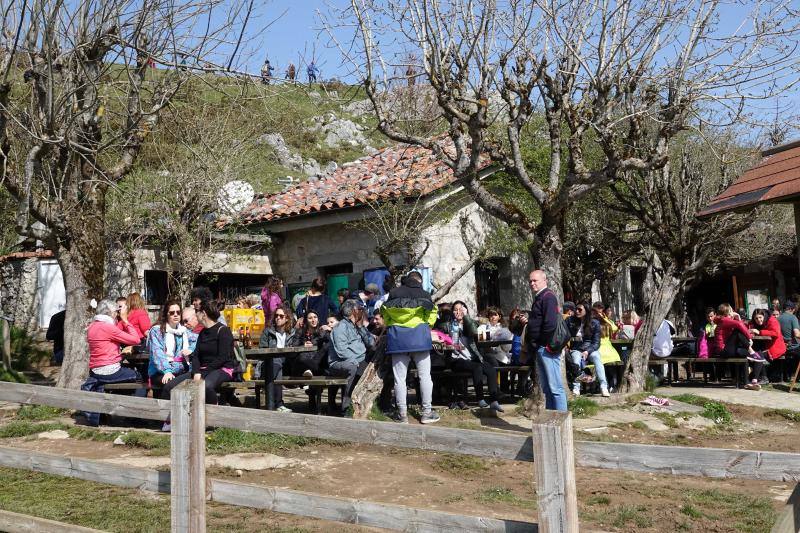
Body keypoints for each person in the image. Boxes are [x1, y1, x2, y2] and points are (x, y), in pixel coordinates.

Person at [161, 299, 236, 430]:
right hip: (202, 370)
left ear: (204, 314)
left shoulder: (223, 331)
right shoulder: (202, 333)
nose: (196, 315)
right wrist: (196, 371)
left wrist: (202, 373)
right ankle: (172, 420)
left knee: (206, 386)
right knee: (169, 387)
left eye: (197, 312)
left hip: (222, 369)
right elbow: (196, 356)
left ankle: (213, 418)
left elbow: (223, 358)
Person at [382, 271, 440, 424]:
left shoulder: (394, 293)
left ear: (407, 280)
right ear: (419, 281)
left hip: (398, 339)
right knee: (425, 376)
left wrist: (391, 324)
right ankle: (427, 413)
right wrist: (428, 325)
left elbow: (385, 311)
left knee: (399, 379)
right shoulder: (425, 294)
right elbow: (433, 312)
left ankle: (402, 415)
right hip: (420, 338)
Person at [81, 299, 146, 425]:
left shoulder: (92, 326)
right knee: (140, 377)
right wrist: (125, 320)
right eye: (115, 312)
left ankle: (114, 413)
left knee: (126, 375)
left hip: (95, 371)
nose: (117, 314)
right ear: (110, 313)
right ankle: (135, 416)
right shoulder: (107, 327)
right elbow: (136, 339)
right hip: (109, 371)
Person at [516, 270, 566, 411]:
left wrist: (541, 343)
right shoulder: (540, 298)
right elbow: (539, 320)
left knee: (555, 387)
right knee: (548, 388)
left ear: (544, 280)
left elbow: (550, 324)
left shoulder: (548, 297)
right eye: (530, 281)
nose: (532, 283)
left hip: (546, 348)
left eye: (535, 280)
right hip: (541, 348)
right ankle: (551, 419)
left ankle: (561, 420)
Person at [448, 301, 503, 411]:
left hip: (472, 358)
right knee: (477, 368)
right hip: (457, 359)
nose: (458, 312)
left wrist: (466, 317)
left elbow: (474, 332)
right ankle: (480, 399)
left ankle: (494, 401)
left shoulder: (470, 323)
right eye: (455, 309)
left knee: (490, 369)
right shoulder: (449, 325)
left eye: (461, 309)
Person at [327, 299, 375, 416]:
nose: (362, 311)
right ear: (353, 311)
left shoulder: (357, 325)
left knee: (374, 366)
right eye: (359, 309)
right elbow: (342, 351)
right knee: (353, 367)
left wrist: (361, 327)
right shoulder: (341, 328)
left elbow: (371, 343)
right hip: (340, 362)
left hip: (359, 359)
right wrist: (356, 361)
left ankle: (372, 405)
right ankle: (347, 407)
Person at [147, 299, 197, 392]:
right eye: (172, 312)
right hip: (160, 371)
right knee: (172, 385)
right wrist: (167, 371)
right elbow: (157, 353)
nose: (175, 315)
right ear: (166, 314)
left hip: (181, 370)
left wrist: (191, 348)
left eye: (178, 312)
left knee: (192, 383)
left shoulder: (183, 331)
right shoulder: (157, 331)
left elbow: (198, 339)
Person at [258, 304, 298, 412]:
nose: (278, 318)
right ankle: (279, 404)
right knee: (276, 362)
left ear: (287, 318)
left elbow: (296, 349)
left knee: (278, 363)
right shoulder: (268, 332)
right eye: (276, 316)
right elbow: (262, 349)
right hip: (270, 364)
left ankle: (271, 403)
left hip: (288, 365)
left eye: (281, 316)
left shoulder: (292, 333)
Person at [566, 302, 609, 397]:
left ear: (586, 311)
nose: (577, 311)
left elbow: (596, 343)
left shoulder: (595, 323)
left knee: (597, 358)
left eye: (580, 310)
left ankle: (603, 387)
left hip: (590, 349)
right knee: (576, 360)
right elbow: (564, 334)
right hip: (576, 348)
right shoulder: (570, 320)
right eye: (576, 309)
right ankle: (576, 388)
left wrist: (587, 351)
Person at [747, 308, 786, 389]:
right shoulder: (755, 322)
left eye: (760, 317)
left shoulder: (772, 321)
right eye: (756, 318)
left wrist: (759, 332)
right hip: (765, 346)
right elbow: (749, 324)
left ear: (764, 316)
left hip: (775, 347)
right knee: (752, 354)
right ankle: (761, 377)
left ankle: (756, 379)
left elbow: (776, 333)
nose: (758, 320)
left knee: (758, 355)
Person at [591, 302, 622, 368]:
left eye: (600, 312)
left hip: (610, 350)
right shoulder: (592, 321)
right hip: (599, 350)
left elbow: (614, 328)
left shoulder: (607, 322)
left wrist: (604, 318)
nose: (598, 314)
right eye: (596, 312)